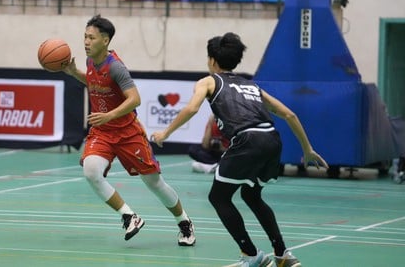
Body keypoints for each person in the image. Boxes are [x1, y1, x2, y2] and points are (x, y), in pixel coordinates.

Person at [151, 32, 328, 266]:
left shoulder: (209, 81)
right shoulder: (251, 85)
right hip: (272, 140)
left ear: (212, 60)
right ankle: (282, 253)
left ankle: (251, 254)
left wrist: (166, 133)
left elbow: (192, 109)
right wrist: (307, 149)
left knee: (218, 197)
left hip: (247, 140)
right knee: (252, 195)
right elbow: (289, 114)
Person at [62, 14, 195, 246]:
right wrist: (74, 72)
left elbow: (135, 99)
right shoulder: (90, 61)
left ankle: (184, 221)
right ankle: (128, 215)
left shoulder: (116, 67)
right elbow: (94, 83)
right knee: (91, 171)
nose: (85, 41)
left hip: (127, 133)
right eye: (84, 36)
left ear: (105, 40)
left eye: (91, 38)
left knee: (154, 183)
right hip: (102, 132)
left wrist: (109, 115)